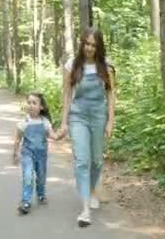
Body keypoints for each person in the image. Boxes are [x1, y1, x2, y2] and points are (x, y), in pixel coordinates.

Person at [59, 27, 116, 227]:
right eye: (86, 44)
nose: (89, 48)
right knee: (82, 160)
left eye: (93, 45)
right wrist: (64, 122)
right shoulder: (71, 66)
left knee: (97, 160)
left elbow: (111, 95)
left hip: (99, 116)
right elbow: (66, 96)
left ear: (98, 46)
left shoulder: (106, 67)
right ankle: (85, 210)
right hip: (78, 117)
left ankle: (92, 190)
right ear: (81, 43)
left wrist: (110, 121)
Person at [12, 92, 61, 215]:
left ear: (41, 107)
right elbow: (18, 139)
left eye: (34, 103)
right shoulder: (24, 122)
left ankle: (41, 194)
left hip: (41, 156)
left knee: (41, 177)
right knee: (28, 177)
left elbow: (53, 135)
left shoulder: (45, 121)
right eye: (29, 102)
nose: (31, 105)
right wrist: (15, 154)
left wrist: (61, 134)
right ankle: (26, 202)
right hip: (27, 154)